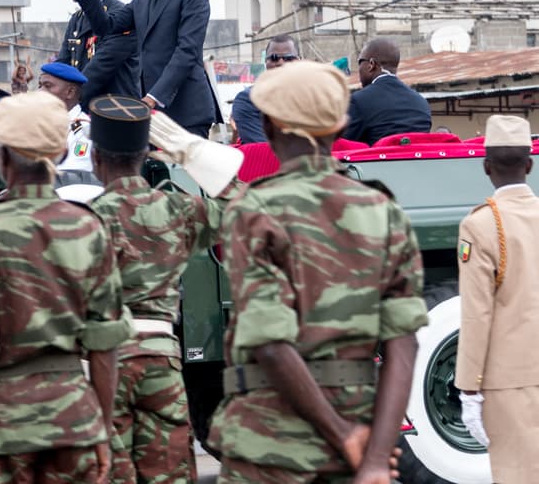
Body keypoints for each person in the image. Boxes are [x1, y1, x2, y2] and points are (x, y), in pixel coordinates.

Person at [210, 60, 428, 483]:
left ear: (269, 125)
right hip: (362, 436)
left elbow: (271, 344)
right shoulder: (382, 210)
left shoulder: (254, 208)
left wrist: (342, 435)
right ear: (341, 126)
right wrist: (376, 457)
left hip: (270, 446)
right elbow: (403, 342)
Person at [0, 90, 131, 484]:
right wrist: (102, 430)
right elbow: (106, 345)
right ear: (58, 157)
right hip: (75, 421)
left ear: (1, 159)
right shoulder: (88, 227)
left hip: (0, 427)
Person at [87, 95, 232, 484]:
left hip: (106, 362)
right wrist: (192, 154)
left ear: (95, 159)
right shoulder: (178, 210)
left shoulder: (84, 220)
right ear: (148, 156)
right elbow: (248, 210)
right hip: (162, 358)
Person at [455, 114, 539, 482]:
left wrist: (468, 388)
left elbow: (477, 315)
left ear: (486, 166)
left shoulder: (481, 225)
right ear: (530, 164)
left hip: (508, 383)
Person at [76, 0, 221, 137]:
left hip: (186, 110)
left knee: (182, 171)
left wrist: (153, 97)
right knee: (154, 169)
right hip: (150, 114)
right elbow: (105, 26)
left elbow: (187, 50)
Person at [55, 0, 141, 106]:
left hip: (114, 115)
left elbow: (96, 74)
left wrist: (64, 102)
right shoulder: (77, 18)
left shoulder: (120, 17)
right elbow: (63, 65)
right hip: (82, 113)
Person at [343, 37, 432, 145]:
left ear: (371, 64)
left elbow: (344, 146)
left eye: (360, 62)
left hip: (372, 161)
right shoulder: (421, 102)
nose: (358, 70)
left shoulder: (359, 101)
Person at [231, 35, 300, 144]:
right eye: (274, 58)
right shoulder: (249, 99)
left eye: (289, 58)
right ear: (266, 62)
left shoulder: (315, 96)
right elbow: (262, 149)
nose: (281, 63)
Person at [36, 61, 93, 177]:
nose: (40, 91)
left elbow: (74, 174)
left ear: (70, 92)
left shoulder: (83, 131)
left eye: (48, 86)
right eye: (40, 85)